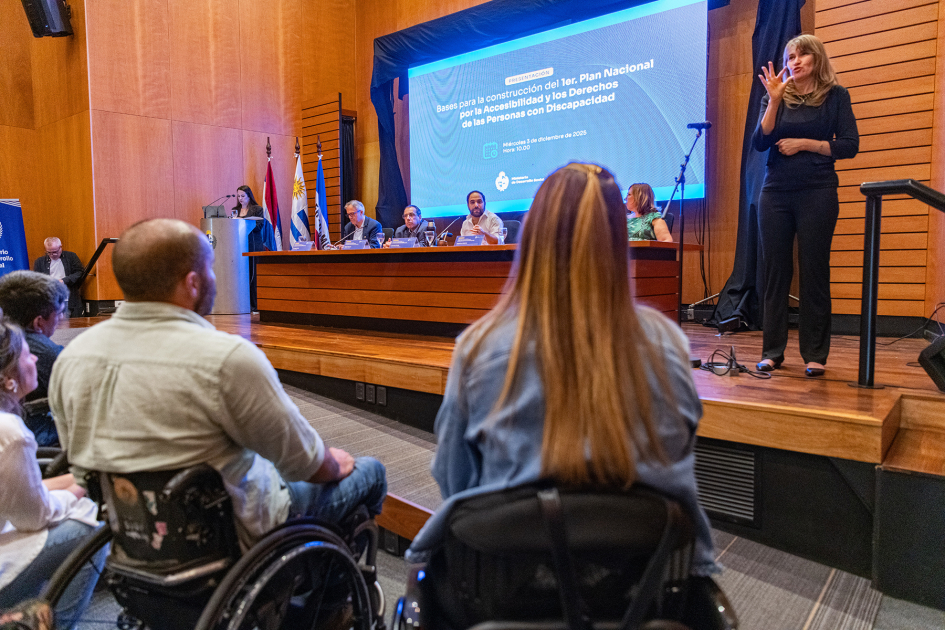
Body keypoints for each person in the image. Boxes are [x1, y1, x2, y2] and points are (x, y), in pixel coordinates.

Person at [407, 163, 718, 578]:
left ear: (534, 237)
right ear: (618, 238)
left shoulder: (479, 347)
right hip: (645, 588)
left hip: (507, 588)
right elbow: (682, 454)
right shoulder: (668, 345)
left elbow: (454, 481)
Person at [49, 219, 387, 549]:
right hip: (232, 536)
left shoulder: (71, 357)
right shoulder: (227, 359)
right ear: (193, 283)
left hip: (132, 536)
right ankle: (330, 597)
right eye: (211, 270)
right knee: (369, 471)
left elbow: (81, 462)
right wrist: (334, 462)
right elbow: (307, 465)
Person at [753, 34, 858, 378]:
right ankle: (772, 351)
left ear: (817, 59)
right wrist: (772, 101)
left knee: (814, 271)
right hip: (776, 192)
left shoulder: (836, 97)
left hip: (818, 190)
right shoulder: (778, 95)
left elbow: (848, 146)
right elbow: (760, 141)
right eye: (790, 56)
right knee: (775, 272)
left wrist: (806, 144)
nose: (794, 61)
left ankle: (815, 354)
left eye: (802, 55)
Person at [0, 314, 104, 630]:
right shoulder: (10, 432)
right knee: (90, 528)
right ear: (8, 379)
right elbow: (33, 515)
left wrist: (81, 476)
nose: (34, 356)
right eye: (25, 354)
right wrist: (81, 488)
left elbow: (21, 494)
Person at [0, 272, 69, 446]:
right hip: (36, 439)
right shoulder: (48, 354)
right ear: (38, 322)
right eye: (59, 313)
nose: (61, 319)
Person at [232, 185, 265, 310]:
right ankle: (243, 304)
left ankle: (255, 306)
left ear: (249, 196)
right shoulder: (235, 210)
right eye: (238, 196)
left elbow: (259, 226)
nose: (240, 199)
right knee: (242, 275)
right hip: (239, 246)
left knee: (253, 275)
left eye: (243, 196)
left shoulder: (257, 209)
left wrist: (245, 221)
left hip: (253, 245)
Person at [32, 238, 83, 318]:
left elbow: (79, 273)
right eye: (49, 252)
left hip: (69, 300)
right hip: (51, 302)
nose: (53, 254)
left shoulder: (71, 257)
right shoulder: (40, 262)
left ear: (61, 247)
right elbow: (36, 280)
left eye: (55, 251)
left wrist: (64, 281)